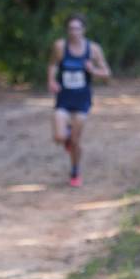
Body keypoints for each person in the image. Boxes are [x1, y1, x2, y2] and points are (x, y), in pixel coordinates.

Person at [48, 16, 111, 187]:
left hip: (82, 100)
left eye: (77, 28)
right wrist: (52, 80)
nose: (74, 32)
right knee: (59, 136)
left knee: (76, 141)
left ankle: (75, 171)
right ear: (67, 30)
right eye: (70, 28)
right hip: (64, 97)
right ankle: (67, 136)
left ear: (83, 30)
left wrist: (93, 70)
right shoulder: (60, 46)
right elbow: (53, 65)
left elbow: (106, 74)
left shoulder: (93, 49)